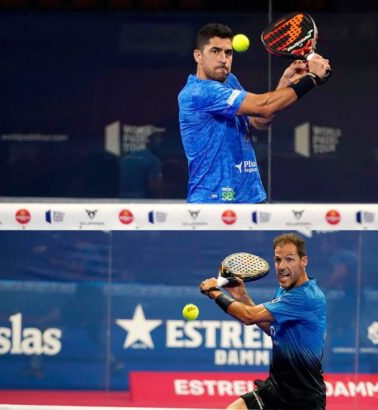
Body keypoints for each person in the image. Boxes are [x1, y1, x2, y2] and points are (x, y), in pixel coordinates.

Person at [179, 23, 331, 203]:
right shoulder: (198, 92)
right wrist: (312, 79)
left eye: (228, 53)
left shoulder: (229, 80)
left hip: (252, 197)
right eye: (215, 51)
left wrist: (285, 82)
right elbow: (263, 106)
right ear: (198, 56)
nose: (223, 59)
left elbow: (259, 121)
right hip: (213, 202)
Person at [200, 233, 327, 409]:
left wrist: (214, 292)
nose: (281, 266)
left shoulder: (306, 297)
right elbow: (272, 329)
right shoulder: (284, 290)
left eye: (289, 259)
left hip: (303, 399)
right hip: (275, 390)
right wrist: (241, 296)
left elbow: (249, 316)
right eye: (278, 260)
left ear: (303, 261)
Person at [119, 132, 172, 198]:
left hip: (120, 199)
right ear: (149, 141)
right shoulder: (153, 160)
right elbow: (154, 185)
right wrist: (169, 187)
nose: (160, 141)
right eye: (158, 138)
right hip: (140, 200)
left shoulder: (124, 158)